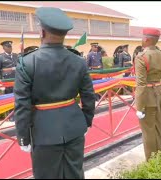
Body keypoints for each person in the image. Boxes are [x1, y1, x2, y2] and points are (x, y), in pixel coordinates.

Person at [13, 7, 96, 179]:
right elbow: (88, 96)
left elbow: (22, 105)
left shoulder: (27, 62)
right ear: (64, 35)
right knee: (75, 174)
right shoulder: (78, 61)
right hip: (74, 127)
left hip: (43, 132)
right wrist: (86, 122)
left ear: (42, 32)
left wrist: (23, 137)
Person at [134, 28, 161, 161]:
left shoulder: (141, 57)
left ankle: (151, 161)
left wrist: (139, 106)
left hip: (147, 98)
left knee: (148, 131)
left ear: (147, 39)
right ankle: (160, 156)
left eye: (143, 37)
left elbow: (141, 84)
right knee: (158, 127)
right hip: (159, 94)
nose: (141, 39)